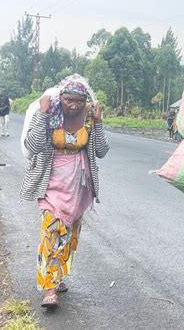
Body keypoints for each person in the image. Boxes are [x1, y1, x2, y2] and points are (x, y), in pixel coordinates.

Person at [19, 74, 110, 309]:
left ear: (85, 100)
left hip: (78, 186)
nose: (74, 105)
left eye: (79, 100)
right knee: (51, 233)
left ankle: (57, 276)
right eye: (69, 100)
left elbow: (101, 151)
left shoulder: (89, 117)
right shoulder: (50, 113)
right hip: (51, 183)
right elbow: (33, 145)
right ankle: (49, 288)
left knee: (69, 236)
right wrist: (42, 114)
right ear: (62, 98)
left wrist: (98, 123)